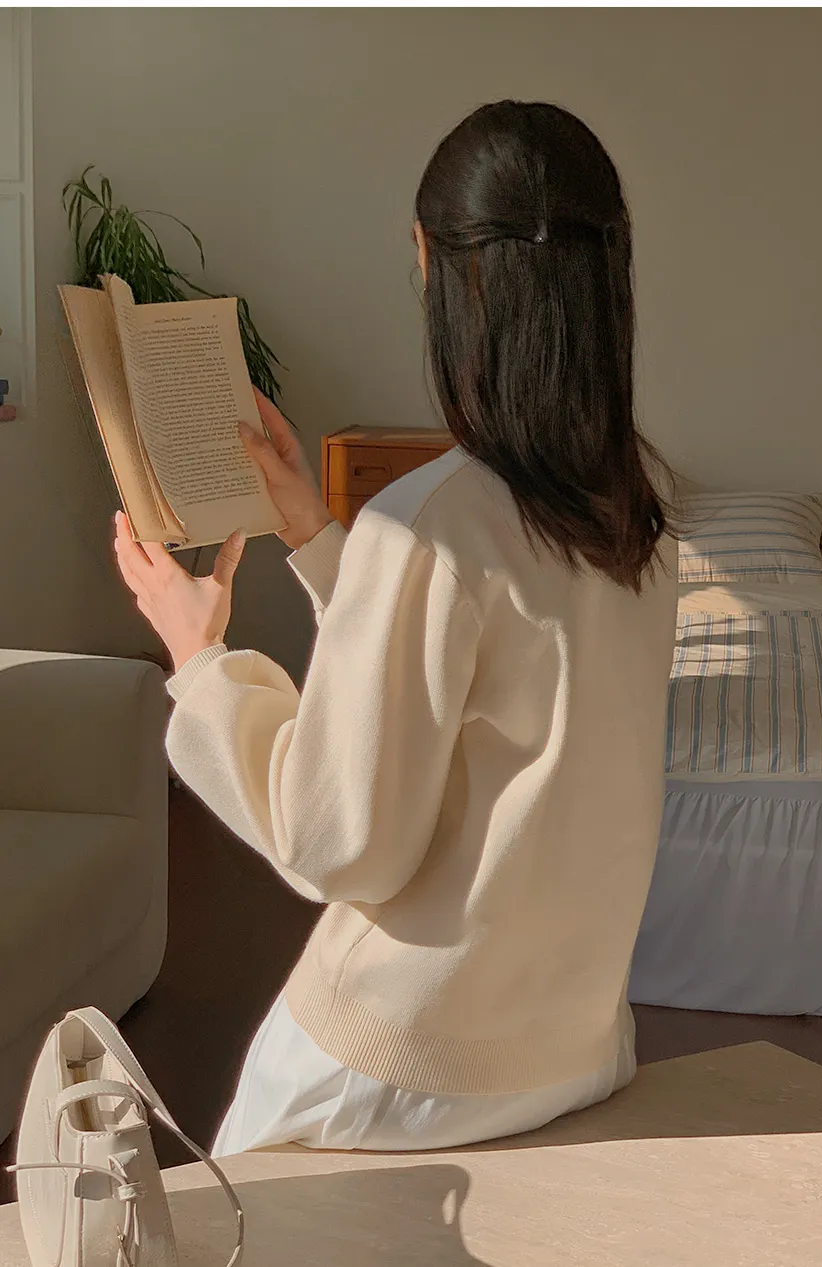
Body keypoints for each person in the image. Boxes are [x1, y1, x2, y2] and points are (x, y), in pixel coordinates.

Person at [114, 100, 678, 1156]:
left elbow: (337, 844)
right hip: (573, 1050)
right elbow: (479, 673)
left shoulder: (428, 526)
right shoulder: (634, 515)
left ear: (430, 260)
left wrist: (201, 662)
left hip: (404, 1064)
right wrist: (318, 535)